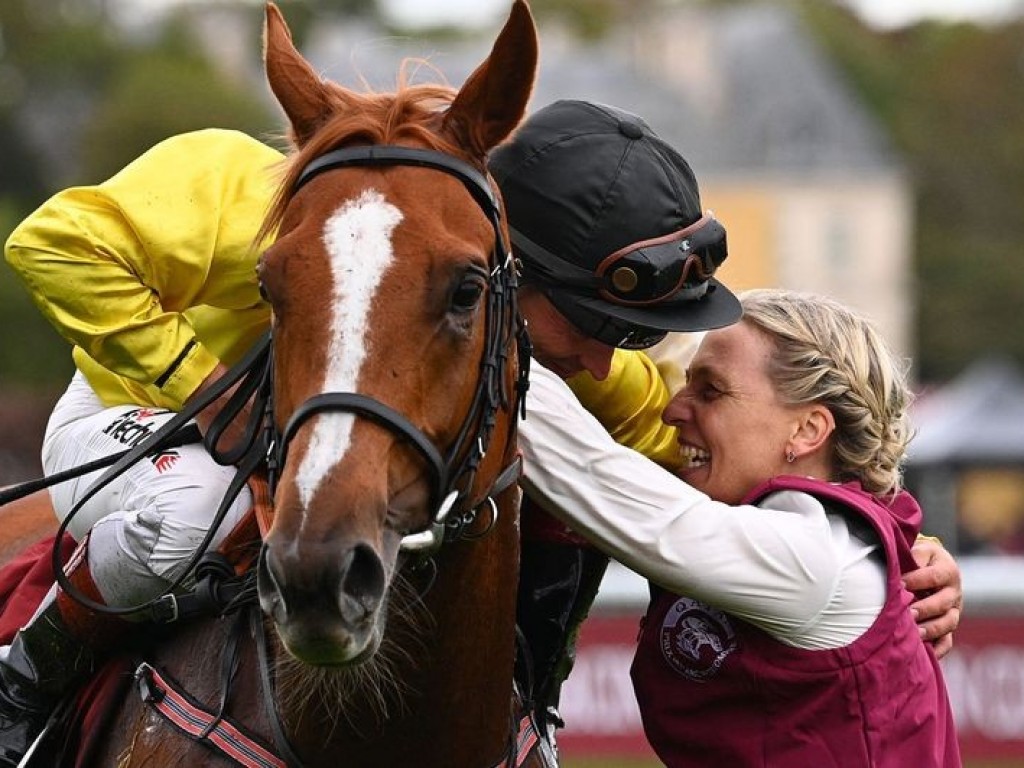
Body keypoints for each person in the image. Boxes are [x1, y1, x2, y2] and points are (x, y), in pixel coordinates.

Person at [0, 99, 962, 763]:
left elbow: (698, 476)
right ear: (508, 284)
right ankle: (31, 678)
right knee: (189, 511)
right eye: (599, 328)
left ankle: (527, 716)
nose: (605, 362)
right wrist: (211, 392)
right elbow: (48, 244)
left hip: (278, 434)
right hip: (142, 411)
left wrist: (891, 540)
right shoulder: (229, 183)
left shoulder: (585, 362)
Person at [517, 287, 962, 766]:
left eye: (710, 391)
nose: (673, 409)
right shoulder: (812, 537)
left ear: (807, 430)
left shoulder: (820, 558)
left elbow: (603, 483)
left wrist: (493, 346)